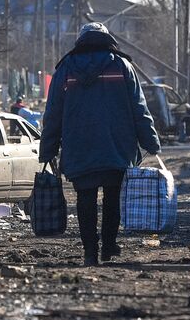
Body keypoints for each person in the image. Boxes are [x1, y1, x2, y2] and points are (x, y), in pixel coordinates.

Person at [39, 23, 160, 265]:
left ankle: (90, 252)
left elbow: (53, 113)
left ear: (81, 41)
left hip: (78, 147)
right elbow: (139, 108)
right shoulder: (122, 65)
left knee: (85, 199)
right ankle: (108, 246)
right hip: (116, 146)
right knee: (113, 198)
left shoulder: (65, 69)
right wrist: (151, 141)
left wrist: (48, 149)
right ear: (107, 39)